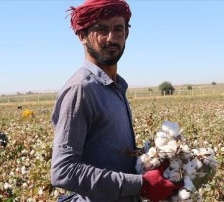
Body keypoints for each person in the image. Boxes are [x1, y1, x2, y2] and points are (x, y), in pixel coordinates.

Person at [50, 0, 182, 201]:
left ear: (127, 34)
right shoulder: (82, 89)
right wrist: (142, 185)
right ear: (82, 36)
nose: (111, 38)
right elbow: (63, 171)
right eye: (101, 29)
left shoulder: (116, 87)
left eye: (118, 29)